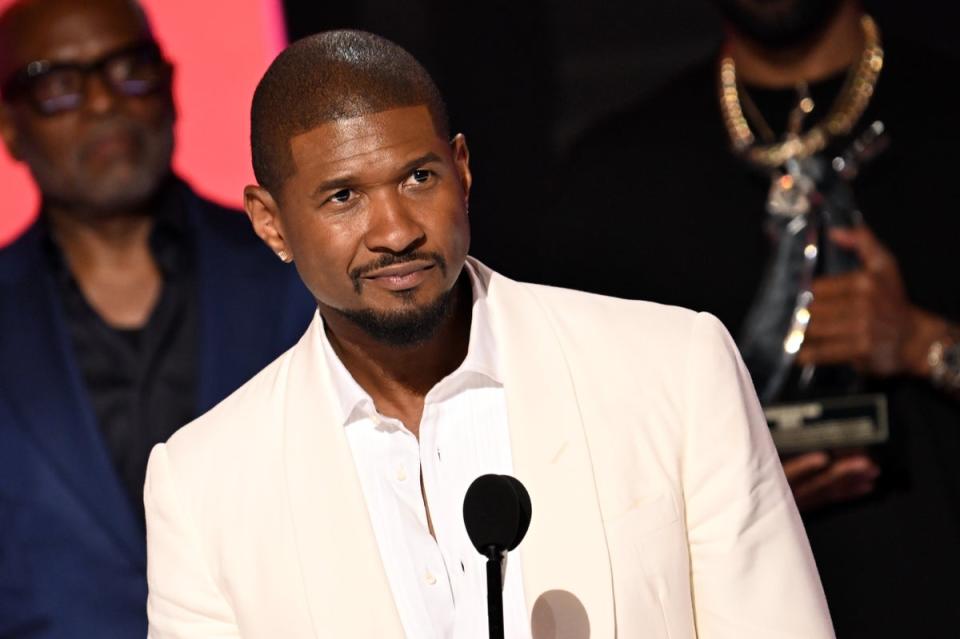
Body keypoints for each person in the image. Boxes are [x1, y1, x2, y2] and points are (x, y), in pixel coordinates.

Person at [144, 29, 834, 639]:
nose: (396, 231)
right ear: (270, 222)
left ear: (463, 169)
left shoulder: (674, 370)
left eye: (419, 176)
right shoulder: (204, 486)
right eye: (344, 196)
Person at [542, 0, 960, 636]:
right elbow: (570, 453)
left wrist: (926, 344)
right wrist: (730, 486)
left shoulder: (945, 116)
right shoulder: (615, 174)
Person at [0, 0, 314, 636]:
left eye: (129, 69)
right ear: (10, 125)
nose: (102, 102)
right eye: (59, 84)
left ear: (170, 85)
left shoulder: (295, 272)